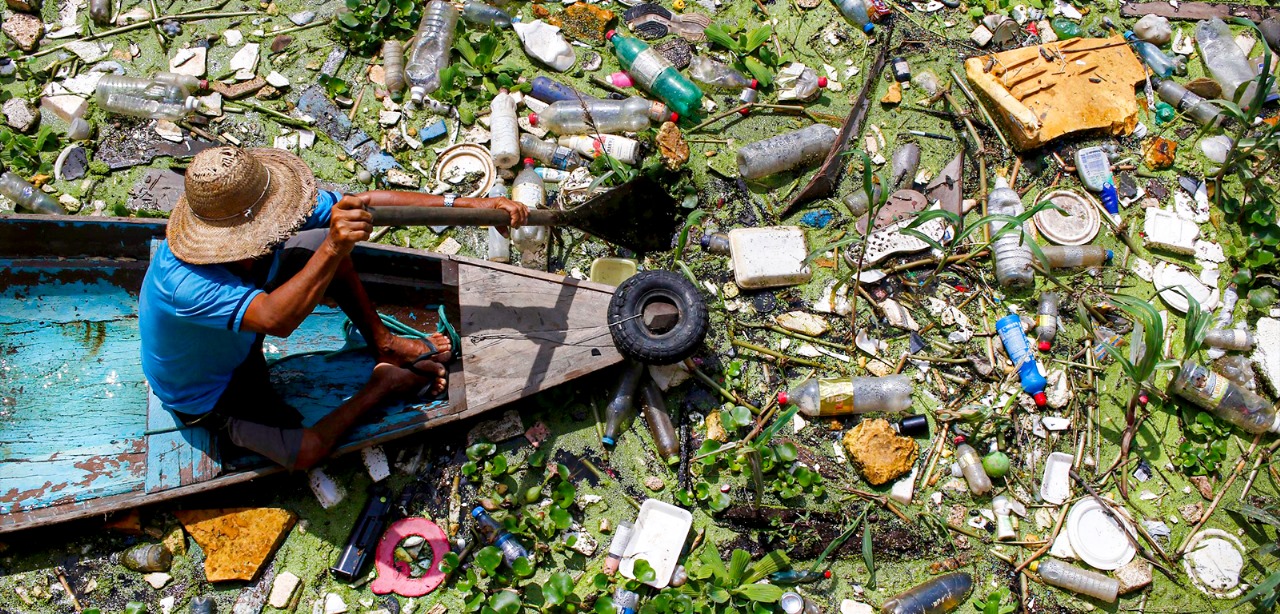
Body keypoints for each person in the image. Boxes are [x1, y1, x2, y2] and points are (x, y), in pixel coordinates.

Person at [139, 146, 527, 470]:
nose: (277, 229)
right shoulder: (183, 284)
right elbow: (277, 320)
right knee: (306, 452)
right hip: (211, 392)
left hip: (242, 336)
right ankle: (382, 384)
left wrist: (477, 206)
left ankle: (384, 342)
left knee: (325, 235)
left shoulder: (262, 208)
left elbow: (364, 204)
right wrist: (333, 247)